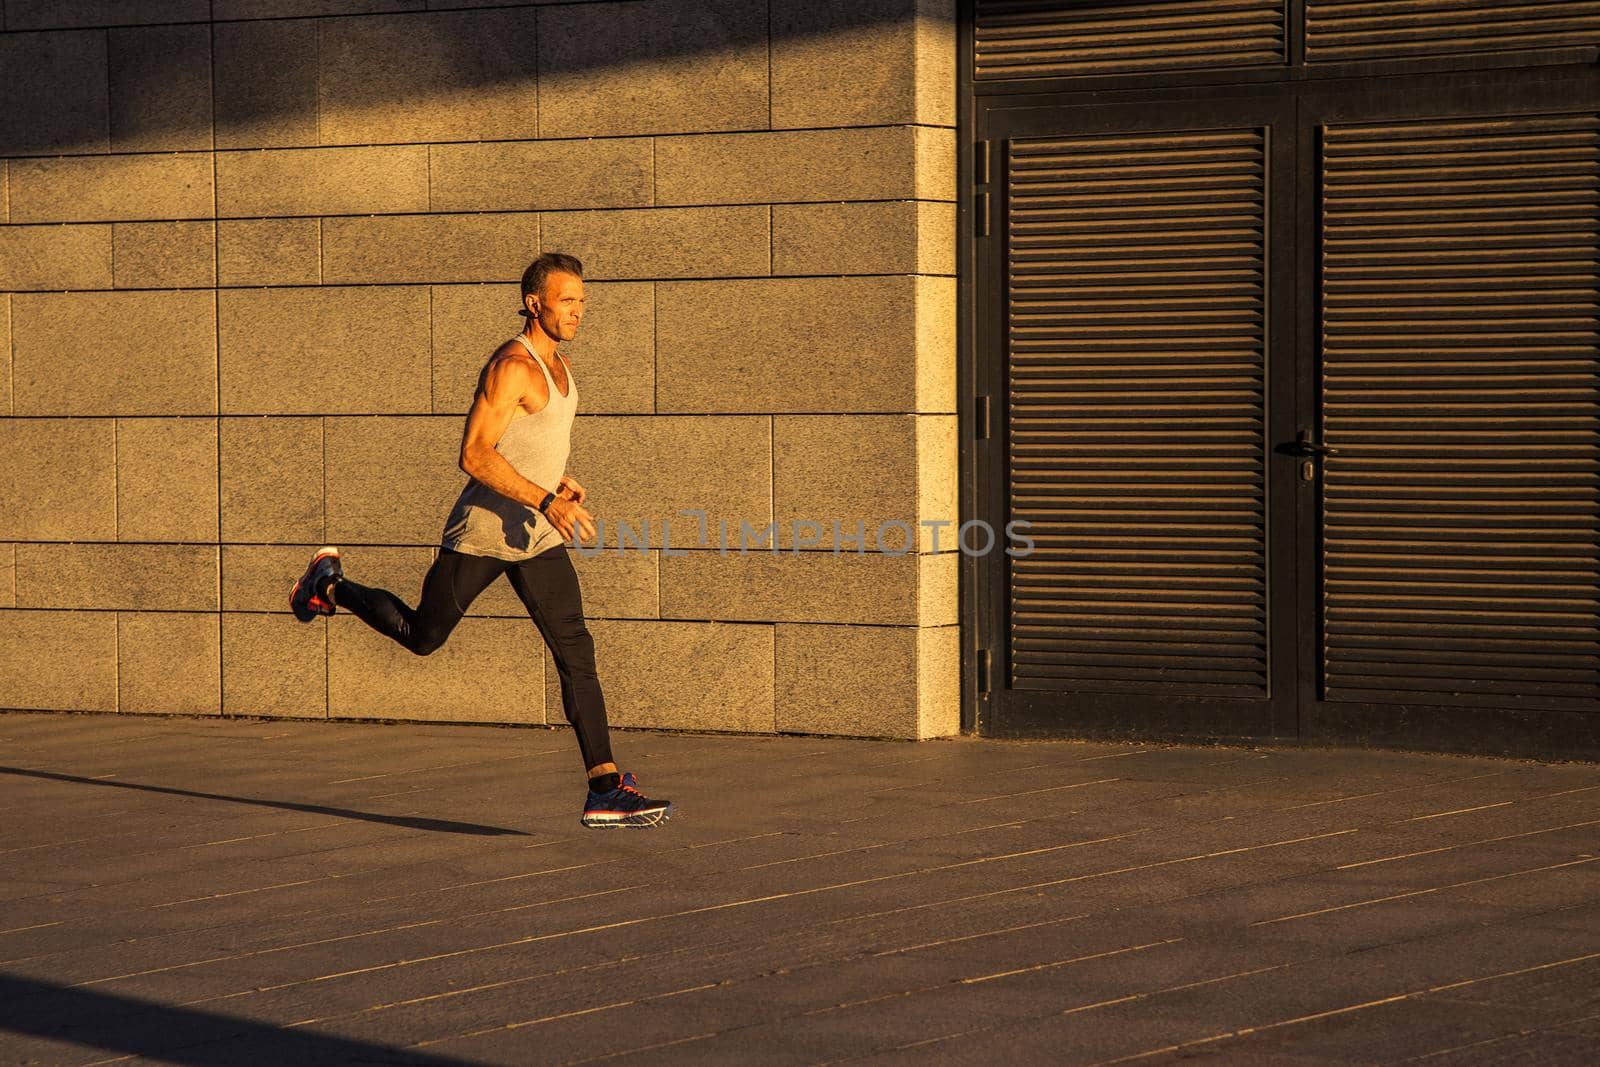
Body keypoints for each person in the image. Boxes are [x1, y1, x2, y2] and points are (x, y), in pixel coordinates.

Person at [288, 252, 672, 829]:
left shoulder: (561, 367)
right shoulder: (511, 367)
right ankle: (331, 585)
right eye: (567, 300)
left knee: (576, 651)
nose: (578, 311)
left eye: (583, 300)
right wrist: (544, 499)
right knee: (423, 636)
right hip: (486, 534)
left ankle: (605, 787)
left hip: (537, 536)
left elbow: (531, 443)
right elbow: (473, 454)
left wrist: (558, 485)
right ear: (533, 302)